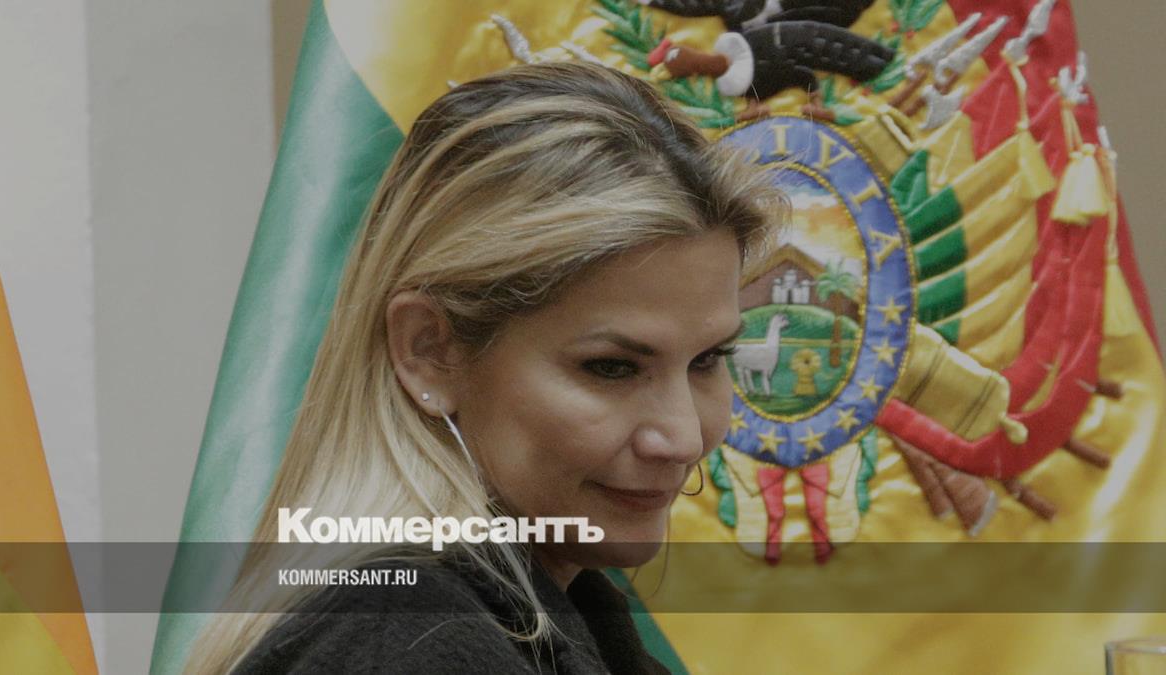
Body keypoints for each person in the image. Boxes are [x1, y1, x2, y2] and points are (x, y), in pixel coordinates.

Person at [185, 60, 785, 674]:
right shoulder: (408, 644)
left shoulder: (533, 617)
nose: (682, 438)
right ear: (429, 351)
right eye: (611, 368)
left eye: (708, 359)